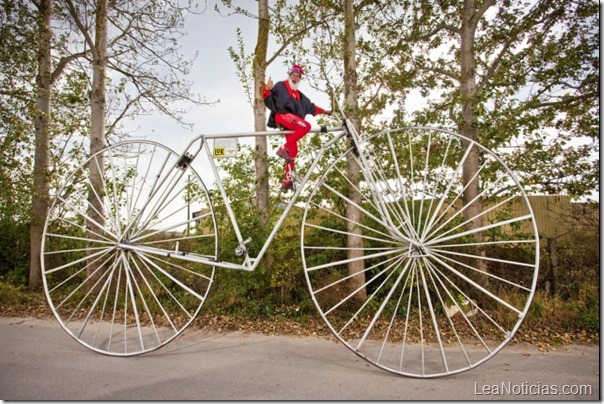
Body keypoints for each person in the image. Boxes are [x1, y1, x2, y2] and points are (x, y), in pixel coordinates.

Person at [262, 64, 332, 191]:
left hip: (293, 123)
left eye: (298, 76)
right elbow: (269, 97)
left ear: (300, 79)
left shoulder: (300, 95)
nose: (295, 78)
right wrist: (267, 89)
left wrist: (325, 111)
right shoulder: (280, 86)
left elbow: (312, 107)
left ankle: (287, 180)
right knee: (306, 126)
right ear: (289, 75)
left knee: (293, 152)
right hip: (282, 116)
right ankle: (283, 148)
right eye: (293, 75)